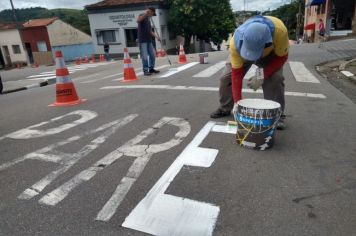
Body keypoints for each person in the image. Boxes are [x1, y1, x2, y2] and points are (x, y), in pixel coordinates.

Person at [211, 15, 289, 130]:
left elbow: (282, 57)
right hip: (242, 51)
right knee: (226, 78)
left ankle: (277, 114)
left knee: (275, 78)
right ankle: (225, 108)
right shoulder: (235, 42)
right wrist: (238, 105)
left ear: (268, 42)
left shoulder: (280, 32)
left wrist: (262, 75)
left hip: (269, 55)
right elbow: (236, 75)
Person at [137, 7, 161, 76]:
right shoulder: (142, 15)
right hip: (142, 40)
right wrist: (146, 14)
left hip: (149, 40)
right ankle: (145, 70)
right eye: (152, 14)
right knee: (144, 56)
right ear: (150, 12)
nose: (152, 15)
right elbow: (138, 20)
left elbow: (150, 31)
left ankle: (151, 68)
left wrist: (156, 37)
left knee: (153, 55)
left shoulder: (148, 19)